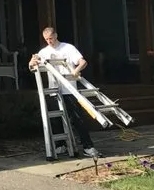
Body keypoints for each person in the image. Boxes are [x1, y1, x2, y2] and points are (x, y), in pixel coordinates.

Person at [28, 26, 100, 158]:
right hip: (54, 89)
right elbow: (33, 67)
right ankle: (61, 146)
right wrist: (32, 63)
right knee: (56, 119)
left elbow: (83, 62)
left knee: (77, 119)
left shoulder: (68, 48)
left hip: (69, 89)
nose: (49, 41)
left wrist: (76, 70)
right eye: (46, 39)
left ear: (56, 35)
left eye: (51, 38)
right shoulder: (44, 52)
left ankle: (88, 147)